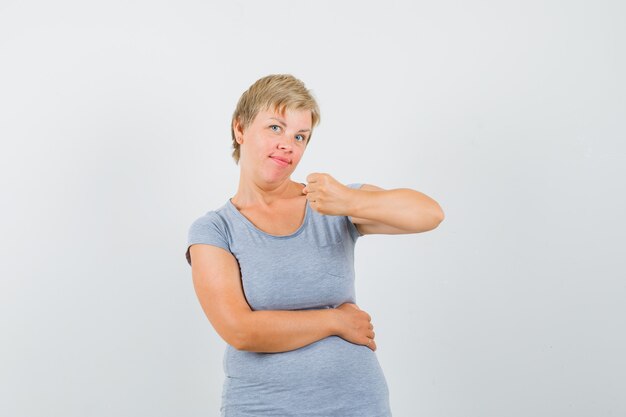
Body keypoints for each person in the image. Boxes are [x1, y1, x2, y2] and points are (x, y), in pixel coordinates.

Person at [185, 74, 444, 416]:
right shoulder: (215, 229)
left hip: (357, 404)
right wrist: (335, 321)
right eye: (275, 128)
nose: (288, 144)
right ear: (240, 129)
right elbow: (240, 330)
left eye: (300, 136)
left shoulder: (331, 203)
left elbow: (429, 214)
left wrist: (351, 201)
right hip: (263, 407)